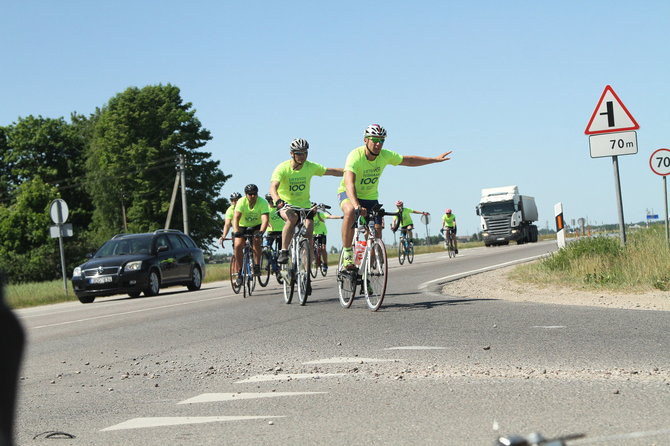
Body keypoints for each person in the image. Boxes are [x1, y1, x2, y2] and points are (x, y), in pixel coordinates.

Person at [338, 124, 452, 269]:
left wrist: (433, 160)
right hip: (349, 194)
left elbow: (409, 160)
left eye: (382, 140)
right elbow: (349, 184)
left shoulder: (385, 155)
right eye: (374, 139)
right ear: (366, 140)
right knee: (349, 211)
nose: (378, 143)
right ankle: (348, 254)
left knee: (376, 230)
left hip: (370, 196)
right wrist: (356, 206)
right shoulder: (355, 155)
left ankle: (369, 266)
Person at [270, 138, 343, 264]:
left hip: (304, 206)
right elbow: (273, 187)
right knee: (292, 218)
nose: (302, 156)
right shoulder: (282, 168)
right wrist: (277, 200)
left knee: (309, 229)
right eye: (298, 153)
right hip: (286, 205)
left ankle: (307, 264)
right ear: (292, 154)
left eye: (304, 153)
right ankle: (284, 251)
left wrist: (350, 172)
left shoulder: (310, 167)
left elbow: (331, 171)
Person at [232, 184, 269, 284]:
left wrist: (261, 232)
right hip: (242, 225)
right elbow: (236, 218)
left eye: (255, 194)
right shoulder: (241, 202)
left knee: (256, 240)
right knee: (238, 245)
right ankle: (240, 272)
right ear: (246, 194)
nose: (253, 196)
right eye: (250, 194)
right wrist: (236, 232)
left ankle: (256, 266)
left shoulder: (262, 202)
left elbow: (265, 219)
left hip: (256, 226)